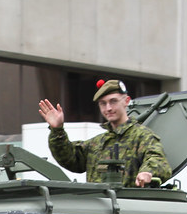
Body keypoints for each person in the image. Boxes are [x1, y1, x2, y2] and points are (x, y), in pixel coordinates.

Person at [38, 78, 172, 188]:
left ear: (126, 101)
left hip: (128, 211)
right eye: (103, 103)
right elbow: (70, 158)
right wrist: (57, 129)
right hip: (99, 212)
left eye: (113, 101)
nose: (108, 108)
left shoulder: (142, 136)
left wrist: (147, 172)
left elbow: (158, 161)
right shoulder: (97, 143)